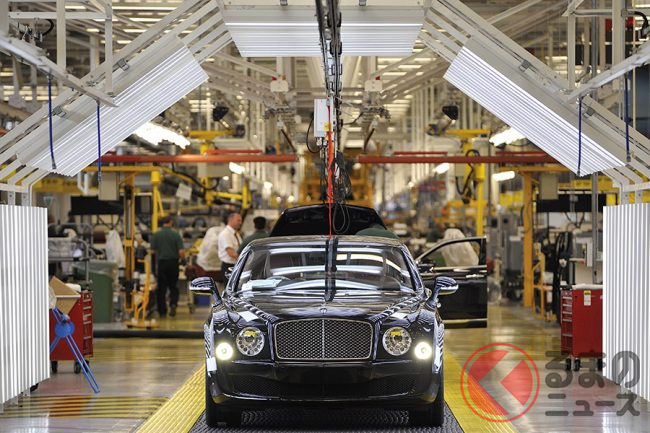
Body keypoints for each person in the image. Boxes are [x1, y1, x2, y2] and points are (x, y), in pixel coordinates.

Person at [150, 216, 184, 317]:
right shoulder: (175, 235)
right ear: (170, 222)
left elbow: (152, 251)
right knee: (173, 286)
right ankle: (173, 304)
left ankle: (162, 311)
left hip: (161, 264)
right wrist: (183, 260)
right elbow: (181, 252)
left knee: (161, 288)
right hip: (173, 263)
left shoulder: (156, 235)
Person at [217, 212, 242, 278]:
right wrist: (245, 259)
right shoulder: (225, 234)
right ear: (231, 220)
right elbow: (231, 253)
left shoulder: (236, 233)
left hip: (236, 265)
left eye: (241, 221)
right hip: (228, 266)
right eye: (238, 220)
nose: (240, 223)